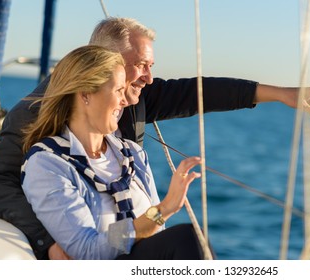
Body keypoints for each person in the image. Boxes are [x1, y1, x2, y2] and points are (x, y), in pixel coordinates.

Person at [0, 17, 310, 259]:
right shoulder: (40, 140)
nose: (149, 78)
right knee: (188, 240)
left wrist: (280, 93)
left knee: (190, 242)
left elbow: (199, 92)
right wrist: (47, 242)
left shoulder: (129, 135)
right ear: (101, 66)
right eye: (141, 65)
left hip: (129, 244)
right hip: (86, 246)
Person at [21, 45, 209, 260]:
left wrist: (159, 215)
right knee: (187, 238)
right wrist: (163, 209)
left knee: (191, 240)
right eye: (119, 90)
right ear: (85, 94)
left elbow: (158, 232)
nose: (124, 100)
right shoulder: (48, 163)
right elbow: (87, 250)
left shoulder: (133, 154)